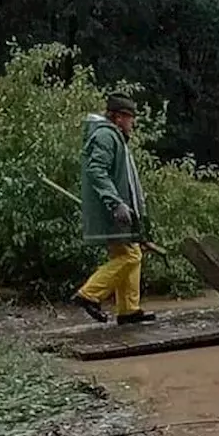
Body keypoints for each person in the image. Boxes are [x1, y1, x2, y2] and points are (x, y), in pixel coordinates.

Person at [72, 93, 156, 325]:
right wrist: (115, 202)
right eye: (130, 118)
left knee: (129, 254)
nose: (133, 123)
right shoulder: (106, 136)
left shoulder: (114, 136)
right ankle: (89, 295)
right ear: (118, 117)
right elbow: (96, 170)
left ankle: (128, 310)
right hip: (113, 212)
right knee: (129, 255)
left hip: (119, 210)